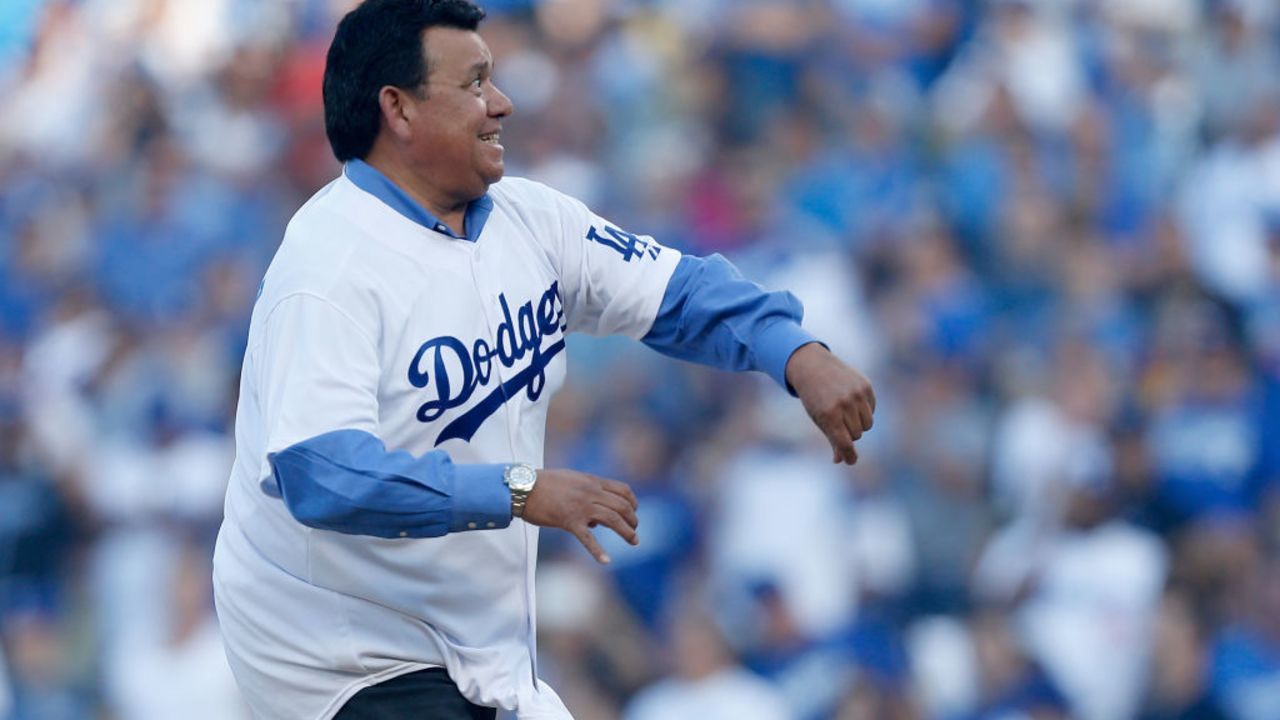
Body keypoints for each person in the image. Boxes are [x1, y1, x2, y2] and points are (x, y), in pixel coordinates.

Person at [210, 1, 876, 718]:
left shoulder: (530, 221)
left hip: (472, 639)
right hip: (337, 648)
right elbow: (324, 476)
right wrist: (521, 490)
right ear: (397, 110)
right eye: (473, 84)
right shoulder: (329, 265)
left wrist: (796, 352)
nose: (501, 103)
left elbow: (677, 292)